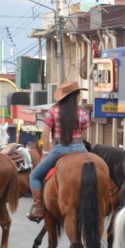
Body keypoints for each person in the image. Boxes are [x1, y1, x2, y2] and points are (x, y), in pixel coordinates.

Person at [25, 82, 91, 221]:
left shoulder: (53, 110)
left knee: (35, 176)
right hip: (80, 148)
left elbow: (46, 132)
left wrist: (46, 151)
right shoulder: (83, 112)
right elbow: (84, 136)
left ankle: (38, 209)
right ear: (75, 96)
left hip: (59, 149)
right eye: (78, 94)